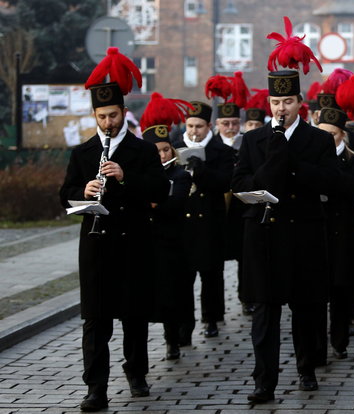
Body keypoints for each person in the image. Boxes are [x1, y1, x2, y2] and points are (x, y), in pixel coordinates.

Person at [59, 47, 169, 412]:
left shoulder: (142, 150)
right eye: (102, 116)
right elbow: (66, 194)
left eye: (114, 116)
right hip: (96, 246)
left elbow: (159, 191)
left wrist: (125, 178)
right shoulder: (83, 152)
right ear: (95, 115)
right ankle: (96, 387)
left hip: (134, 243)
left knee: (134, 315)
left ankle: (137, 372)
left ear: (124, 113)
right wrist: (83, 191)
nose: (108, 122)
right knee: (95, 320)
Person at [232, 63, 339, 400]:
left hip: (303, 234)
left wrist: (292, 165)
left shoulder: (318, 139)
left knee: (306, 307)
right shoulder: (253, 139)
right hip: (263, 235)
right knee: (264, 310)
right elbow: (239, 183)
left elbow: (330, 182)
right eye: (276, 103)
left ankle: (307, 368)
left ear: (299, 102)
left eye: (288, 102)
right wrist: (266, 173)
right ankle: (264, 381)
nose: (281, 109)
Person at [171, 99, 236, 339]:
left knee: (211, 275)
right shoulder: (175, 147)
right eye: (190, 126)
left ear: (209, 126)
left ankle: (211, 319)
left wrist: (202, 171)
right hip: (184, 222)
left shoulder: (222, 151)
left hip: (210, 221)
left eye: (198, 126)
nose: (194, 131)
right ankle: (183, 325)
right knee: (183, 279)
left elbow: (225, 182)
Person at [138, 92, 195, 361]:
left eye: (165, 150)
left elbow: (175, 205)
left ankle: (173, 340)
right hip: (147, 242)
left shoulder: (180, 175)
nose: (161, 155)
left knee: (172, 295)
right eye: (156, 151)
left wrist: (151, 204)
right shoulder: (141, 175)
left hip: (172, 243)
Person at [316, 107, 354, 359]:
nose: (327, 139)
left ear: (342, 136)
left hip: (345, 236)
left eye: (332, 134)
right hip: (316, 235)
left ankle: (339, 341)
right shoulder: (310, 160)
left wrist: (331, 174)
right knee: (315, 294)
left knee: (341, 292)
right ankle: (316, 346)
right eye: (322, 134)